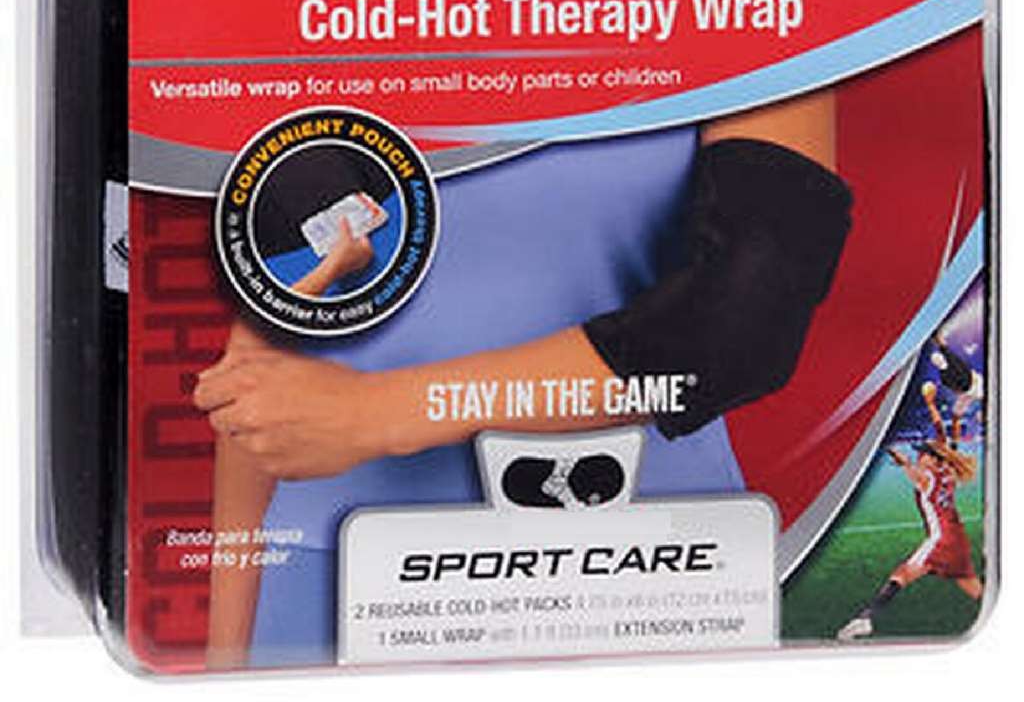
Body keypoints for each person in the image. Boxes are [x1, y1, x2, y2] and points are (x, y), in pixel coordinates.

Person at [194, 92, 850, 668]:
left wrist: (377, 411)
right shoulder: (313, 15)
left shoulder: (744, 11)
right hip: (330, 570)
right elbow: (262, 362)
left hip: (648, 559)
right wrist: (229, 663)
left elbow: (744, 318)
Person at [837, 381, 981, 641]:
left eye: (923, 454)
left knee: (901, 574)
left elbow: (916, 467)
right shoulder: (946, 471)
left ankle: (865, 619)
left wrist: (893, 452)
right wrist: (931, 405)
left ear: (932, 459)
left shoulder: (927, 476)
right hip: (958, 539)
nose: (919, 456)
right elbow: (942, 437)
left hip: (940, 540)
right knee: (974, 589)